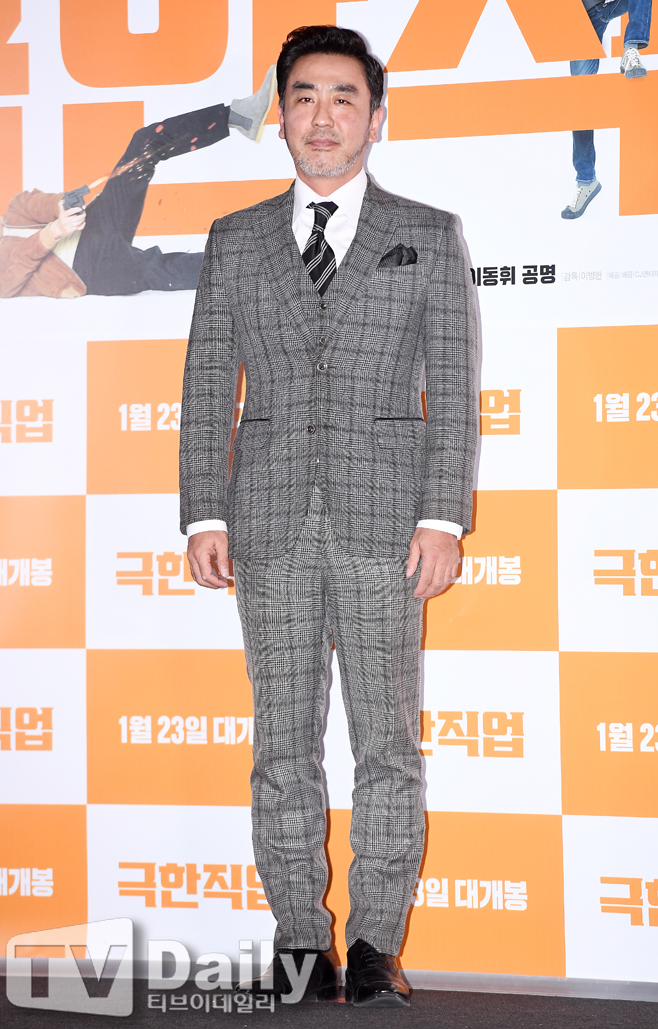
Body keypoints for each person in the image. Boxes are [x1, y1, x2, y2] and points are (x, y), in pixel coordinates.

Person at [180, 26, 478, 1007]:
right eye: (304, 95)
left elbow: (455, 392)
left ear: (374, 117)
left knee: (386, 741)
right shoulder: (234, 239)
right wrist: (202, 512)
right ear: (282, 115)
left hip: (389, 524)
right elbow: (205, 387)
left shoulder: (428, 232)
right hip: (265, 522)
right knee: (282, 742)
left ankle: (377, 942)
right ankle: (301, 940)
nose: (323, 115)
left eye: (344, 97)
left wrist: (443, 517)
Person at [0, 68, 276, 297]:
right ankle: (264, 269)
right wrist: (55, 231)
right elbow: (14, 270)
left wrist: (62, 206)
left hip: (95, 223)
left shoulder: (14, 211)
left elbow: (36, 203)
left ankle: (240, 116)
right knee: (159, 268)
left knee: (144, 143)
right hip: (89, 269)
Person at [562, 0, 652, 219]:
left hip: (607, 4)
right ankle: (586, 180)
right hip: (581, 18)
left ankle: (631, 48)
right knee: (580, 103)